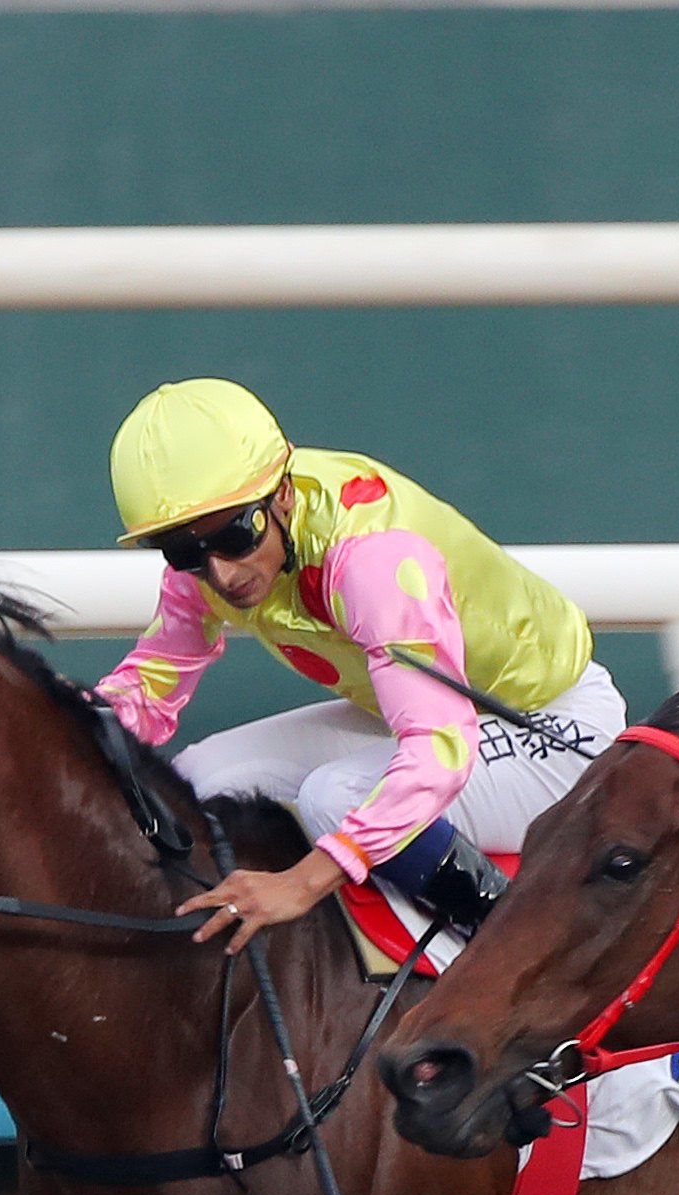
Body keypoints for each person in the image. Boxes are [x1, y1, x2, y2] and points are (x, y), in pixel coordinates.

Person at [94, 377, 624, 950]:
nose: (221, 573)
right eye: (184, 551)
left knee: (338, 797)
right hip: (417, 713)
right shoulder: (208, 562)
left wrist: (301, 883)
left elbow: (439, 750)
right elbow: (144, 694)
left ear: (284, 496)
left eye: (236, 537)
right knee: (201, 778)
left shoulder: (372, 559)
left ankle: (519, 961)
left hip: (554, 728)